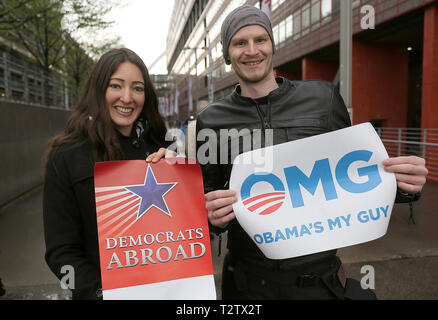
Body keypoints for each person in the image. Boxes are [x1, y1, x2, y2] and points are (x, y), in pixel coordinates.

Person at [196, 5, 428, 300]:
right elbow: (206, 199)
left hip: (319, 280)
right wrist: (212, 217)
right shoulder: (211, 119)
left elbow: (353, 177)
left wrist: (403, 185)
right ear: (227, 55)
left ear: (272, 46)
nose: (252, 50)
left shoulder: (323, 98)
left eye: (260, 40)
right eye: (240, 43)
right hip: (247, 282)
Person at [42, 48, 170, 299]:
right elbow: (60, 252)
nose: (127, 97)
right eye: (116, 85)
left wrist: (181, 179)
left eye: (137, 88)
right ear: (98, 90)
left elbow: (186, 234)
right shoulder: (66, 154)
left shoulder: (162, 148)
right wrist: (101, 293)